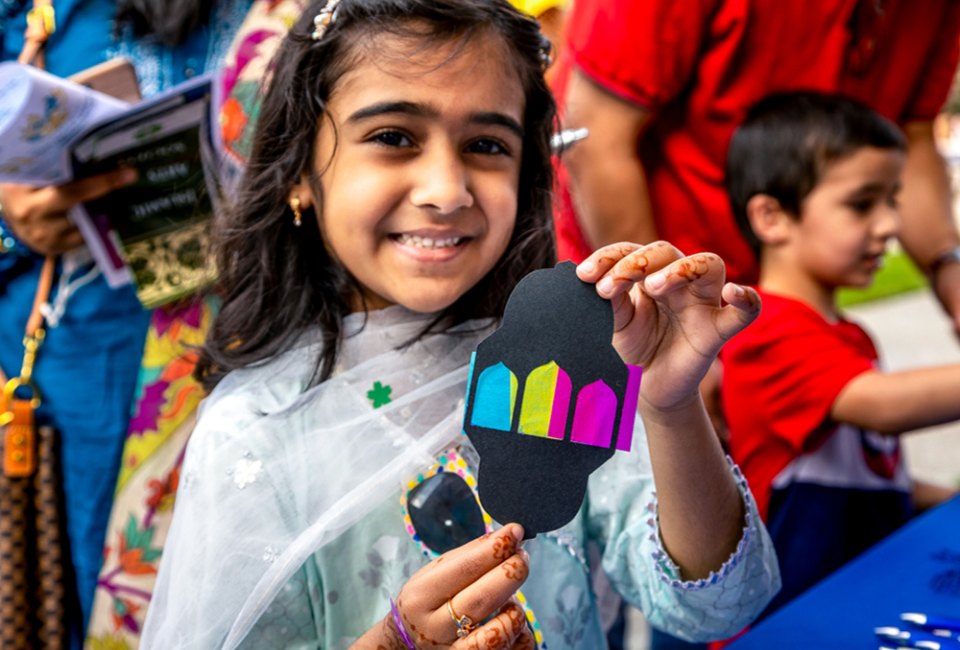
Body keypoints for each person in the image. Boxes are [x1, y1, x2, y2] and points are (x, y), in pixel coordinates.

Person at [140, 0, 781, 648]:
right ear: (300, 170)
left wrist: (670, 410)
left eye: (485, 145)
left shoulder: (562, 367)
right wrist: (391, 642)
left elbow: (720, 605)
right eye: (393, 137)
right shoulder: (255, 431)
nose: (447, 191)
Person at [0, 1, 251, 645]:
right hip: (71, 396)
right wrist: (12, 219)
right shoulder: (29, 15)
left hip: (259, 371)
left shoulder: (299, 15)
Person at [551, 0, 960, 335]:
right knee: (590, 426)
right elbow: (597, 141)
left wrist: (949, 268)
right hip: (617, 298)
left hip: (750, 311)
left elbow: (912, 136)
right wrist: (669, 327)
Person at [721, 92, 960, 619]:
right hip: (789, 619)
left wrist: (940, 498)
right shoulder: (763, 331)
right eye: (862, 203)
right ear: (772, 217)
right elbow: (882, 406)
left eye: (893, 200)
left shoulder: (850, 335)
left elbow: (863, 474)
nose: (889, 226)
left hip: (860, 596)